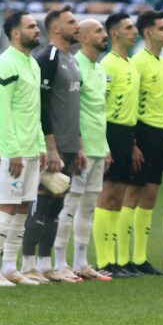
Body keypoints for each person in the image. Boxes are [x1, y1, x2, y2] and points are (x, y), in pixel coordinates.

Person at [21, 6, 85, 283]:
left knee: (57, 206)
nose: (77, 26)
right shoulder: (47, 58)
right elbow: (42, 106)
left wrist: (79, 146)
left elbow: (72, 107)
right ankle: (27, 264)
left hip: (69, 146)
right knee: (42, 204)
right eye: (71, 22)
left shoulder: (73, 60)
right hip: (52, 147)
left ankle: (46, 264)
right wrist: (51, 148)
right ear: (56, 28)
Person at [0, 11, 47, 286]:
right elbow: (1, 111)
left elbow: (34, 111)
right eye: (31, 26)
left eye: (36, 26)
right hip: (13, 150)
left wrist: (41, 145)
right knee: (8, 206)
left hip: (31, 148)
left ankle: (10, 267)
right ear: (15, 32)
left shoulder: (32, 63)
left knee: (23, 208)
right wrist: (13, 149)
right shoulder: (5, 63)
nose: (37, 30)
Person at [57, 19, 112, 281]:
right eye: (99, 31)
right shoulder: (75, 65)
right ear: (85, 37)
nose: (104, 35)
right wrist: (78, 145)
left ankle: (81, 262)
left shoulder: (99, 68)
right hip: (81, 149)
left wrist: (106, 146)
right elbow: (72, 110)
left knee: (88, 207)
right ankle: (59, 262)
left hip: (98, 147)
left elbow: (99, 111)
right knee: (70, 204)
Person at [92, 12, 140, 279]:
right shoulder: (108, 64)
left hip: (126, 133)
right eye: (129, 27)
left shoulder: (130, 64)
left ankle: (116, 260)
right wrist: (104, 143)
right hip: (110, 130)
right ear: (115, 33)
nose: (135, 31)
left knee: (119, 198)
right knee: (107, 197)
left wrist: (132, 142)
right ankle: (104, 261)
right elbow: (100, 107)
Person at [126, 9, 163, 275]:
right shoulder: (138, 62)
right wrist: (132, 143)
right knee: (132, 194)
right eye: (162, 28)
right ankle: (123, 258)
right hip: (141, 131)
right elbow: (131, 103)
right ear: (148, 32)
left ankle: (140, 257)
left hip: (158, 133)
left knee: (151, 195)